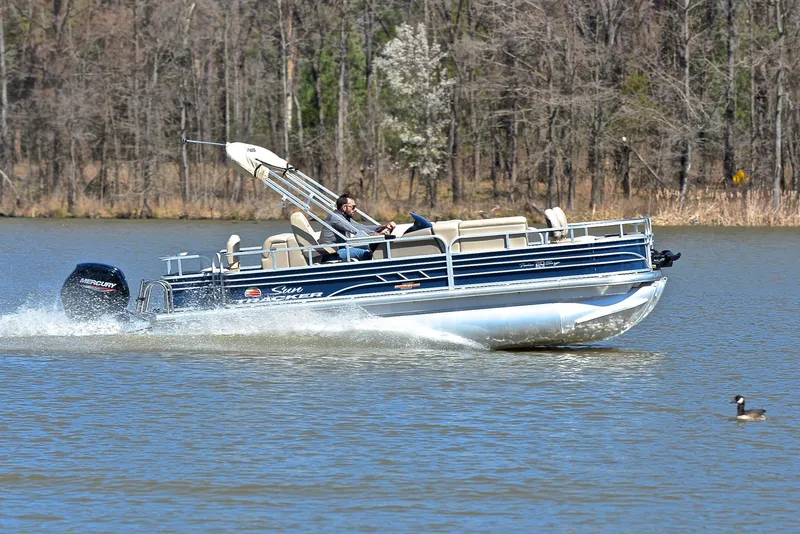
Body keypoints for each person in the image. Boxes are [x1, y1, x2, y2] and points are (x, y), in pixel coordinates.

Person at [319, 194, 396, 261]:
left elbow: (361, 227)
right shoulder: (335, 218)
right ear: (344, 207)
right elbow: (354, 230)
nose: (355, 210)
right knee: (365, 252)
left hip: (340, 250)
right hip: (331, 254)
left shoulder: (344, 217)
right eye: (353, 207)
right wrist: (377, 234)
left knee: (367, 248)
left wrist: (382, 227)